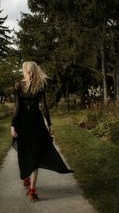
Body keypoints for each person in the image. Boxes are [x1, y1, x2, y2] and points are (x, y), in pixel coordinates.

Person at [10, 61, 74, 202]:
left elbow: (17, 107)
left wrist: (13, 125)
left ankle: (26, 178)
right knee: (36, 153)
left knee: (25, 151)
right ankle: (32, 189)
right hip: (36, 122)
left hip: (22, 122)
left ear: (25, 70)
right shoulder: (40, 85)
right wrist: (49, 124)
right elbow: (44, 107)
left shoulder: (18, 85)